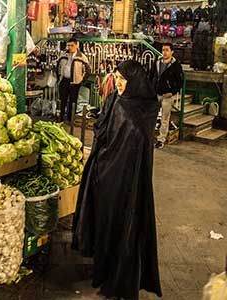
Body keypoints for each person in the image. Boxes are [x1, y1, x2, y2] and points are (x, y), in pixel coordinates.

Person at [72, 60, 162, 300]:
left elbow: (137, 143)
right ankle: (104, 268)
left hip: (129, 180)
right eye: (117, 78)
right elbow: (103, 131)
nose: (118, 83)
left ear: (135, 81)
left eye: (123, 79)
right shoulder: (116, 100)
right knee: (106, 222)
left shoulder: (145, 108)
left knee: (126, 224)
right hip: (108, 176)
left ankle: (119, 277)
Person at [149, 42, 183, 149]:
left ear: (172, 52)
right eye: (163, 50)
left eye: (167, 50)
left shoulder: (176, 65)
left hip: (167, 96)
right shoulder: (158, 62)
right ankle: (149, 136)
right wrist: (151, 89)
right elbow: (151, 76)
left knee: (165, 118)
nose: (164, 52)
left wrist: (172, 92)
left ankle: (161, 139)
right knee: (152, 115)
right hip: (157, 93)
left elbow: (179, 82)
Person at [56, 38, 90, 122]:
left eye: (72, 45)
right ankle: (61, 118)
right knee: (62, 100)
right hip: (64, 81)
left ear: (76, 45)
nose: (70, 47)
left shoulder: (81, 57)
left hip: (75, 82)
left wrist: (81, 81)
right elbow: (57, 67)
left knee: (73, 101)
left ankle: (70, 119)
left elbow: (88, 70)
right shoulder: (63, 55)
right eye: (68, 45)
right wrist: (58, 77)